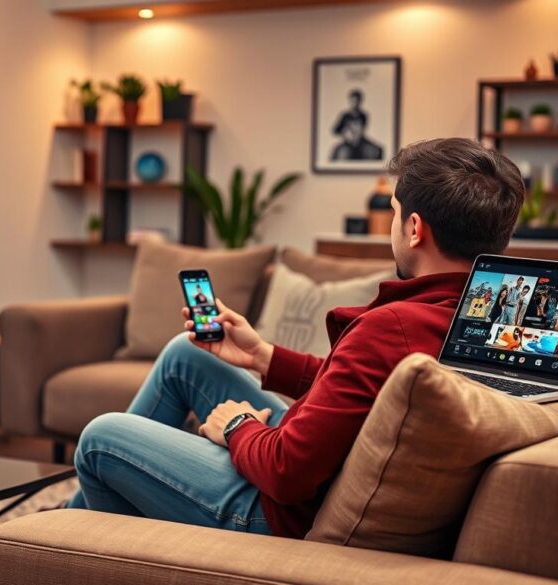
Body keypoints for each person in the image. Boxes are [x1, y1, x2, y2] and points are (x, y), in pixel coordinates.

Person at [66, 137, 525, 538]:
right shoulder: (486, 318)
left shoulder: (394, 328)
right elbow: (368, 397)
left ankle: (59, 542)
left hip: (276, 512)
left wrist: (236, 426)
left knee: (101, 439)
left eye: (394, 214)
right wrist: (263, 356)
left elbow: (287, 472)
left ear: (414, 228)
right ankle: (55, 534)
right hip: (313, 465)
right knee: (186, 355)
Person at [330, 90, 384, 161]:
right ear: (350, 102)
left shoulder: (363, 115)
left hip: (360, 140)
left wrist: (357, 134)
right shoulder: (345, 116)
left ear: (360, 102)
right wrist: (345, 133)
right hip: (348, 141)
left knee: (377, 150)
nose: (355, 104)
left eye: (357, 101)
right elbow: (335, 130)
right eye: (353, 101)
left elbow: (363, 129)